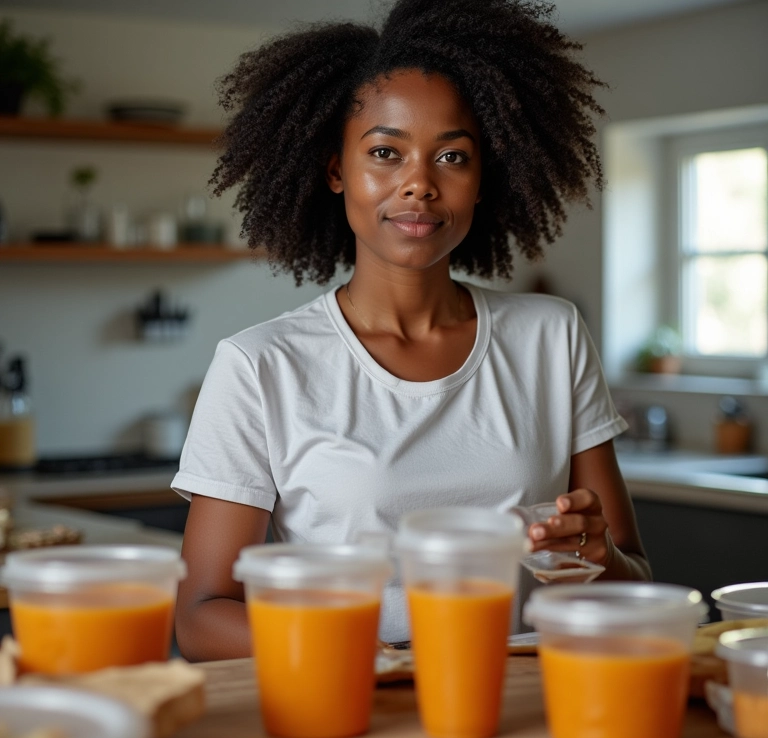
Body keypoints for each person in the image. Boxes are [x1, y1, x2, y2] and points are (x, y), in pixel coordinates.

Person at [172, 0, 651, 662]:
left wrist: (594, 556)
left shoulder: (552, 336)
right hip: (357, 712)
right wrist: (374, 661)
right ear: (337, 170)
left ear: (484, 177)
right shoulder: (260, 365)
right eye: (385, 153)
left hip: (530, 710)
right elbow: (200, 616)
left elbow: (632, 580)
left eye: (452, 156)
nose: (419, 185)